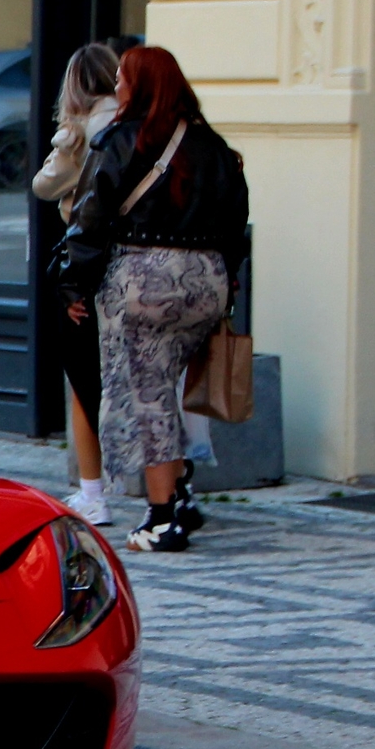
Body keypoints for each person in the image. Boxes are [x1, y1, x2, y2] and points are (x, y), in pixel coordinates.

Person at [60, 45, 249, 553]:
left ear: (140, 85)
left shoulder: (119, 140)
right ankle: (180, 489)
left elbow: (90, 219)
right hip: (205, 281)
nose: (118, 85)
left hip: (142, 282)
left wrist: (73, 284)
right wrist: (225, 281)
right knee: (170, 388)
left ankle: (162, 518)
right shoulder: (213, 146)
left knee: (147, 396)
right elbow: (237, 225)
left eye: (123, 77)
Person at [36, 43, 124, 524]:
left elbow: (43, 185)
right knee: (139, 379)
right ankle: (170, 492)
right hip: (135, 261)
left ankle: (94, 493)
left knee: (83, 379)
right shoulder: (136, 124)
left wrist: (63, 140)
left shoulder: (79, 134)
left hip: (87, 262)